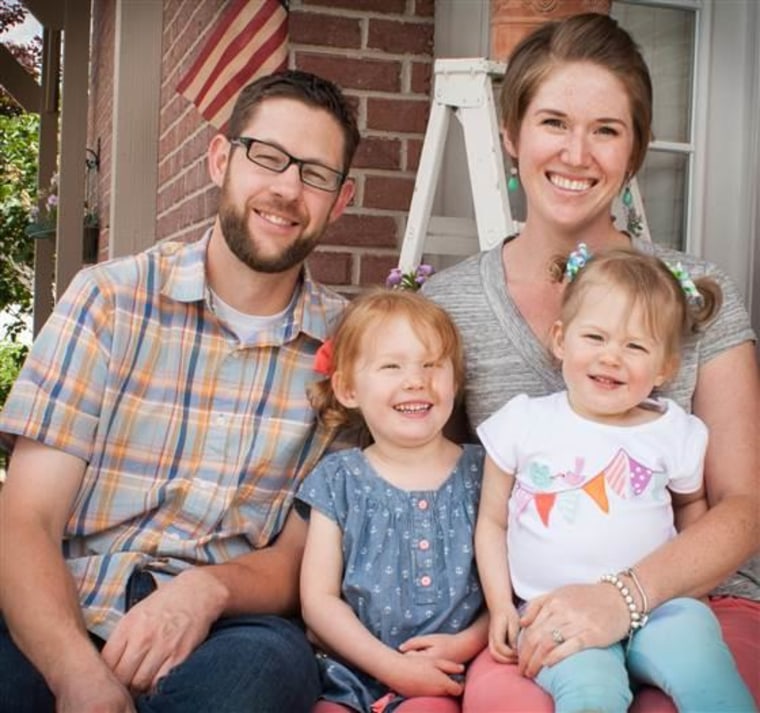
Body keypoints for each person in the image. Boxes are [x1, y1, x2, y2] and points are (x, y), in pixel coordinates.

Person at [422, 12, 759, 712]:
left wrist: (622, 598)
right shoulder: (449, 307)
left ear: (632, 153)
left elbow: (744, 506)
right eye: (553, 122)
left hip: (693, 599)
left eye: (606, 129)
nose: (577, 154)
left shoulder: (697, 294)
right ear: (511, 136)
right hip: (533, 612)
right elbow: (429, 484)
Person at [0, 69, 359, 713]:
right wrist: (77, 676)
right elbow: (26, 517)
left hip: (230, 628)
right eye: (268, 157)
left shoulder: (348, 351)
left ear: (341, 198)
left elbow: (299, 555)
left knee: (263, 676)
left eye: (315, 173)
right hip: (69, 596)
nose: (287, 189)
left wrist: (207, 591)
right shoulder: (110, 299)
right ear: (221, 157)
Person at [475, 246, 755, 712]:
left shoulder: (676, 432)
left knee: (705, 672)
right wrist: (501, 605)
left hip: (662, 606)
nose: (611, 358)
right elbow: (492, 522)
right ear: (561, 340)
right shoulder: (522, 423)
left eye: (635, 346)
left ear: (665, 367)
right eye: (596, 337)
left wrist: (696, 592)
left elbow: (691, 508)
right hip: (550, 608)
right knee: (590, 692)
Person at [296, 289, 487, 713]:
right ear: (347, 389)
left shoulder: (484, 472)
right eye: (391, 366)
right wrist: (388, 666)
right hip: (351, 670)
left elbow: (507, 591)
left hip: (449, 671)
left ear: (454, 380)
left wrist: (464, 644)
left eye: (432, 365)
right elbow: (319, 601)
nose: (416, 380)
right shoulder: (338, 479)